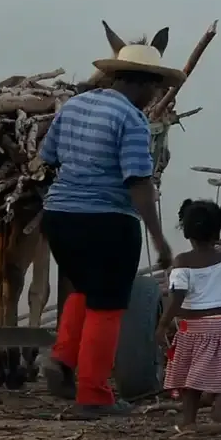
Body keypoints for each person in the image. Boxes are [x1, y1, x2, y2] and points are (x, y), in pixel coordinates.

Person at [37, 32, 183, 416]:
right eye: (156, 86)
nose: (155, 96)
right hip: (106, 222)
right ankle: (94, 395)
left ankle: (62, 358)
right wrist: (158, 238)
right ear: (144, 82)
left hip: (59, 218)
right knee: (109, 307)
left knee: (85, 290)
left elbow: (46, 154)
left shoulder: (74, 105)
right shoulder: (132, 120)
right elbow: (138, 182)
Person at [157, 199, 221, 428]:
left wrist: (163, 324)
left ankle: (188, 423)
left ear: (187, 233)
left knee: (191, 381)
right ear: (218, 231)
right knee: (218, 368)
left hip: (190, 328)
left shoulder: (182, 262)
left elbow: (177, 298)